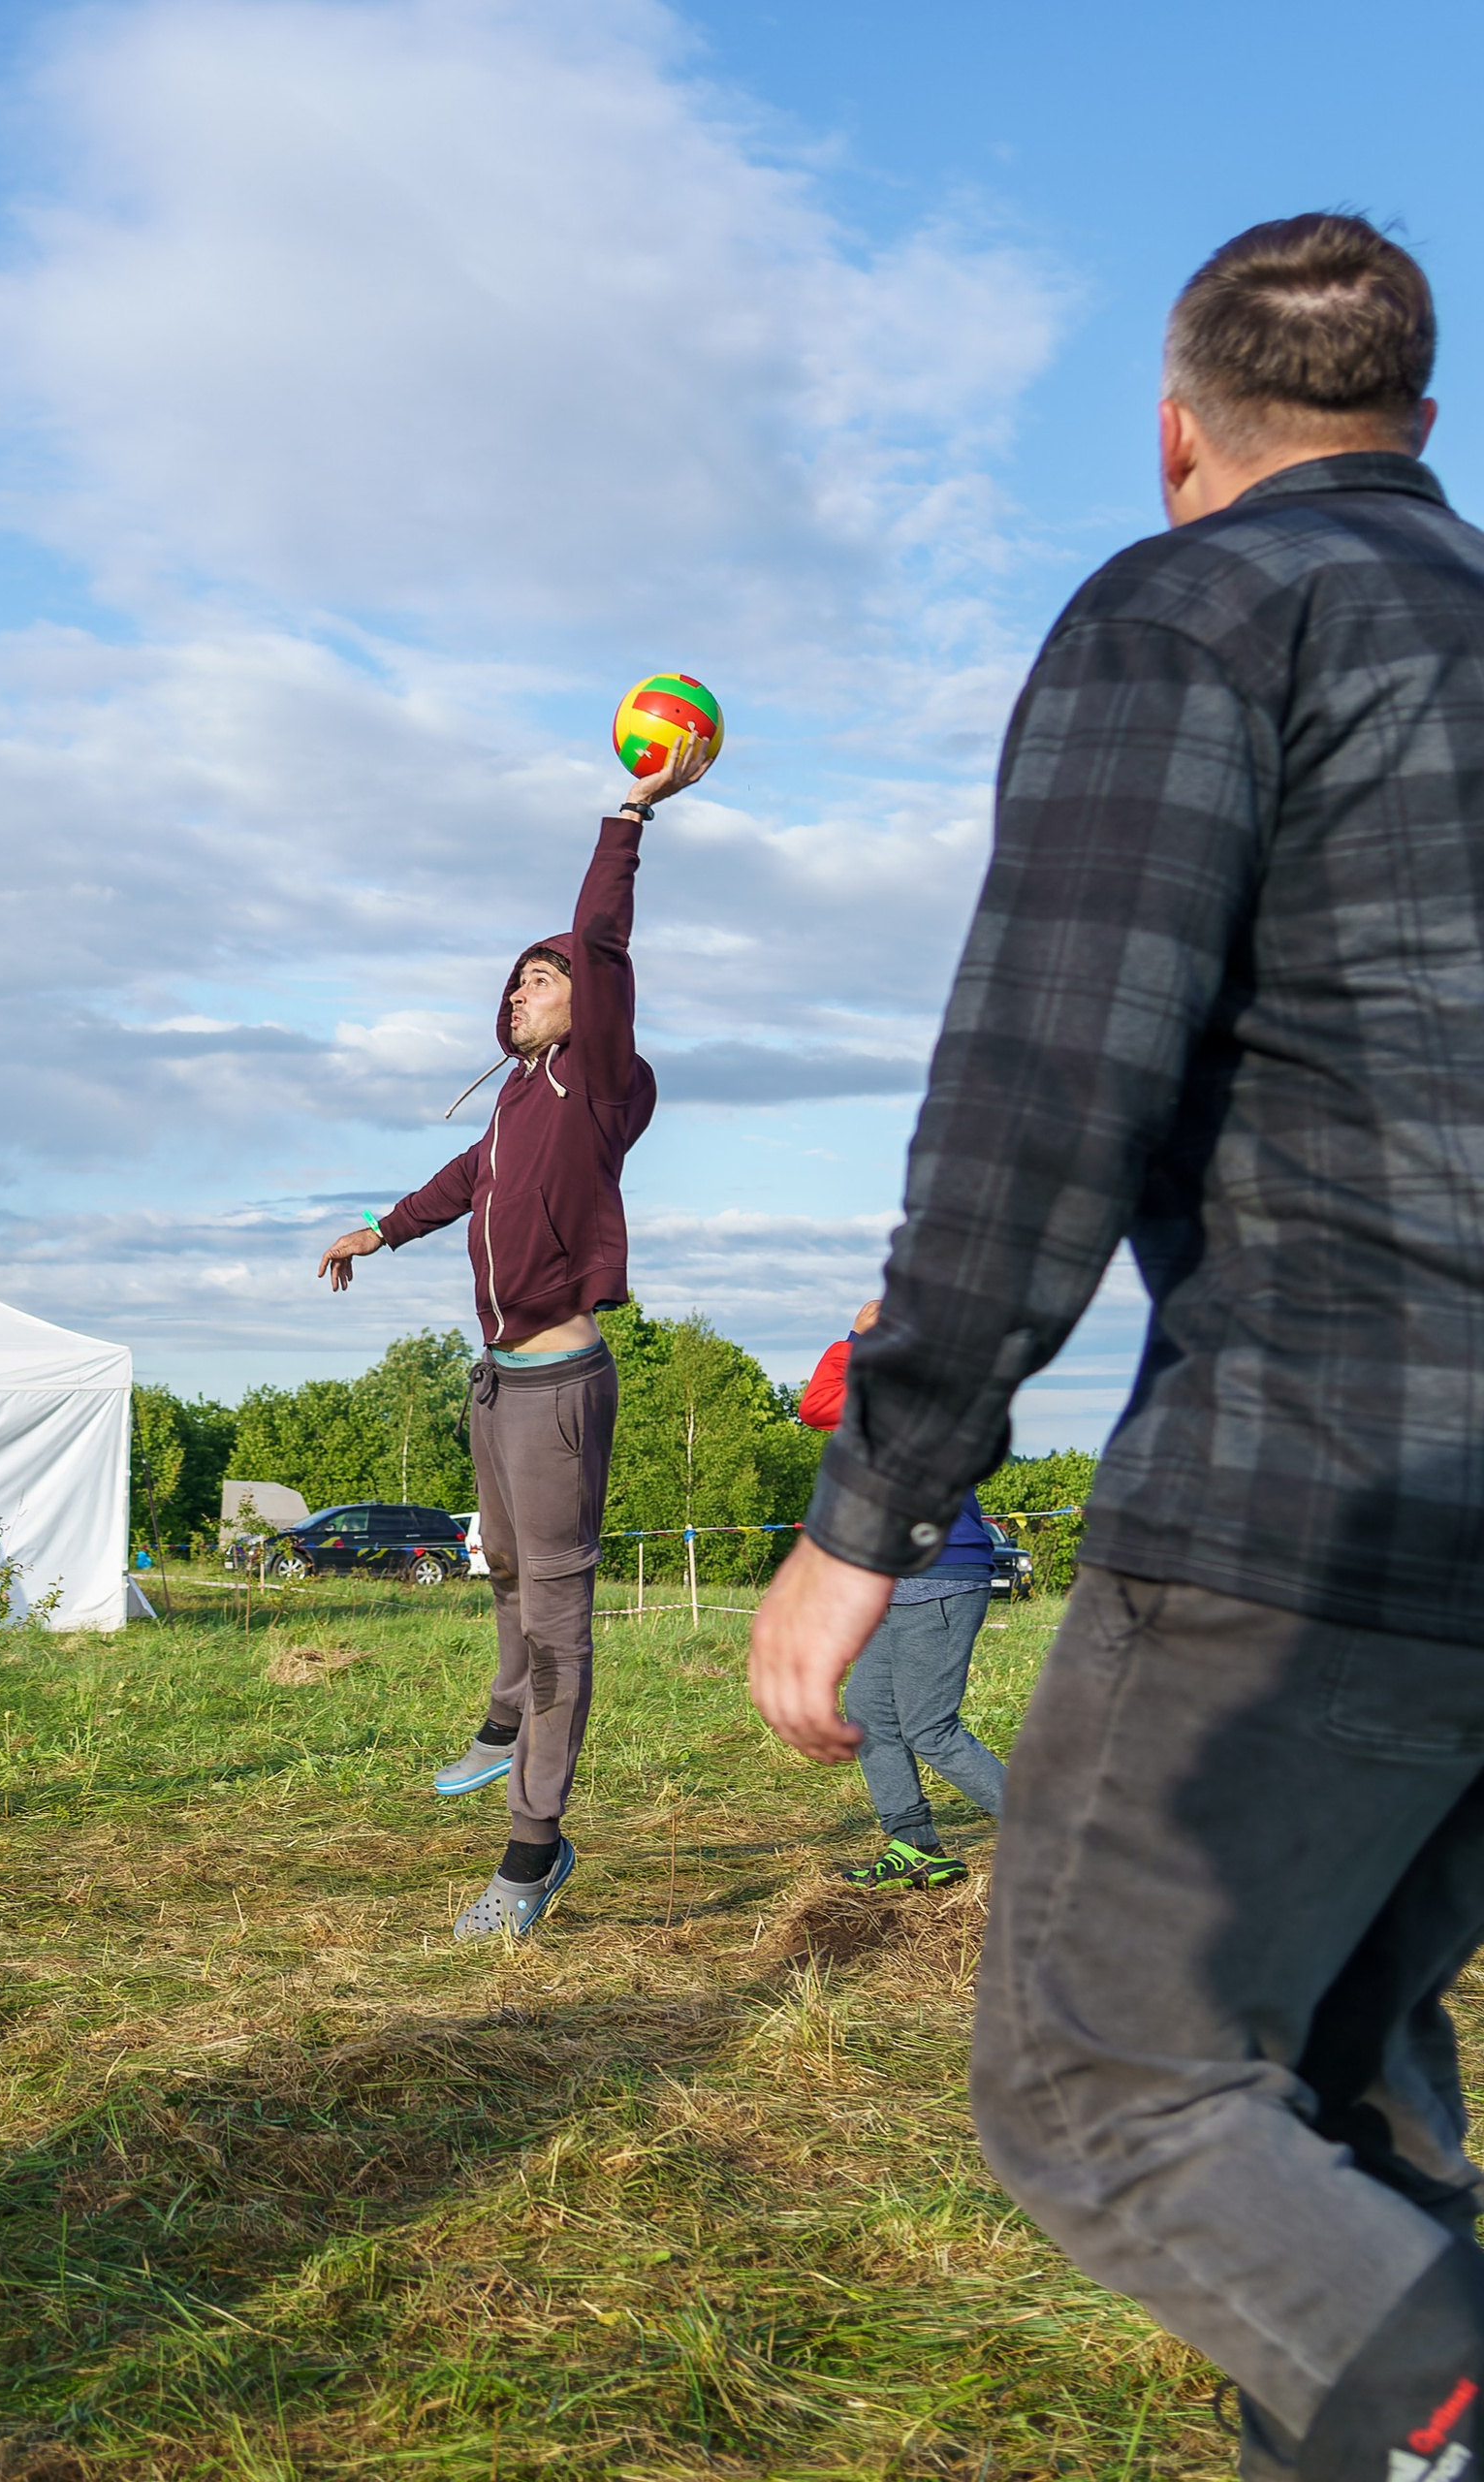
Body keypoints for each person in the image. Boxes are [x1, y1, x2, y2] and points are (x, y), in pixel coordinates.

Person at [746, 213, 1484, 2482]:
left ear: (1175, 433)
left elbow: (1048, 1072)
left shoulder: (1196, 609)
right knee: (1329, 2095)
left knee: (1109, 2086)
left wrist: (874, 1494)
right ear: (1418, 419)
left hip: (1312, 1482)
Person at [320, 728, 714, 1940]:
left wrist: (629, 816)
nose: (518, 991)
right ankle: (501, 1722)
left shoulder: (595, 1082)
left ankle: (533, 1853)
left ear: (583, 1004)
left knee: (555, 1621)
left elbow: (600, 940)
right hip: (494, 1383)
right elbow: (461, 1182)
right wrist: (378, 1230)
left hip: (556, 1386)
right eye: (512, 982)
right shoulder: (511, 1104)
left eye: (538, 979)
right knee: (498, 1563)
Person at [794, 1297, 1002, 1888]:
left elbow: (817, 1404)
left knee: (930, 1729)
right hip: (901, 1582)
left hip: (939, 1578)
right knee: (869, 1713)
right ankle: (916, 1845)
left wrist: (856, 1338)